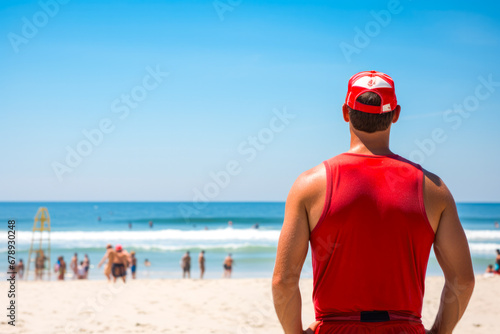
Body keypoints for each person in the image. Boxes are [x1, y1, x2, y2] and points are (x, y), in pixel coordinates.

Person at [272, 71, 475, 334]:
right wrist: (438, 332)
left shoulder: (310, 185)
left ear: (345, 112)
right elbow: (463, 280)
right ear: (396, 114)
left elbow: (283, 281)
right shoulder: (433, 189)